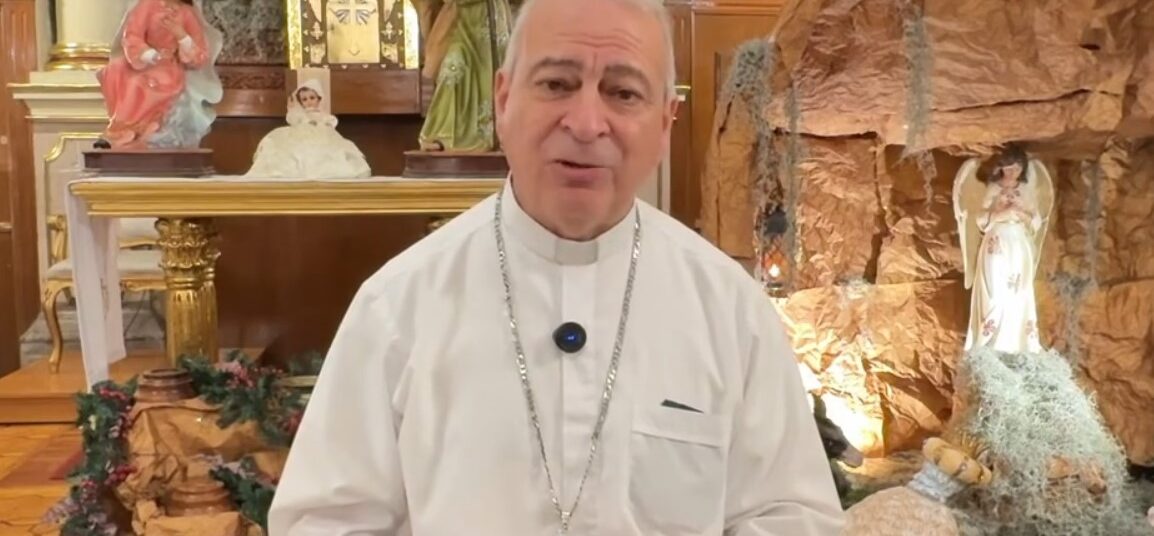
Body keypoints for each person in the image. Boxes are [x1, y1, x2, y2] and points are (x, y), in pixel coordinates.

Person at [267, 0, 845, 533]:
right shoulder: (398, 306)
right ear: (502, 100)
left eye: (623, 93)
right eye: (557, 84)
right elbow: (324, 521)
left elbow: (790, 514)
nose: (587, 123)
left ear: (666, 123)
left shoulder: (729, 309)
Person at [97, 0, 223, 149]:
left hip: (167, 66)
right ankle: (120, 130)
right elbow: (132, 34)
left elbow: (199, 55)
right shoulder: (147, 5)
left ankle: (137, 131)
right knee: (116, 70)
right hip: (142, 59)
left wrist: (182, 35)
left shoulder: (187, 13)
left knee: (141, 83)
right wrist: (147, 53)